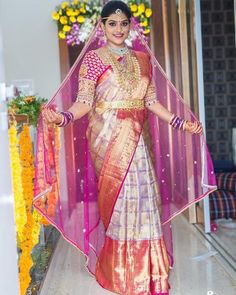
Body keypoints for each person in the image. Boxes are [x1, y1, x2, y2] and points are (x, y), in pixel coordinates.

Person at [38, 1, 216, 294]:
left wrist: (180, 123)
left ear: (130, 25)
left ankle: (148, 270)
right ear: (103, 26)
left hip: (137, 139)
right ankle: (121, 271)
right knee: (120, 202)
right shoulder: (93, 59)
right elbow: (84, 102)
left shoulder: (143, 60)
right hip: (107, 140)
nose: (118, 29)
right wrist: (64, 117)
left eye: (123, 24)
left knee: (144, 198)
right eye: (112, 24)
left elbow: (151, 102)